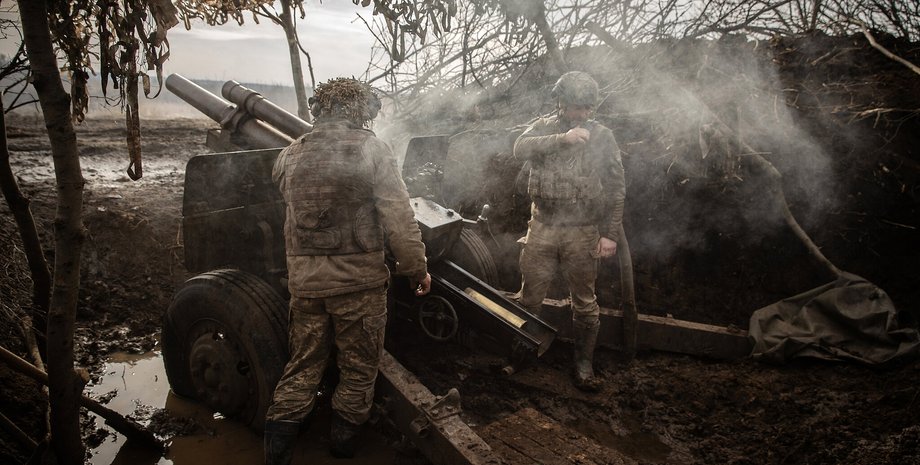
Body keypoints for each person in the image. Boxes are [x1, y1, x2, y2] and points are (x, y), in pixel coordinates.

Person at [264, 77, 431, 464]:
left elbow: (284, 195)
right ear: (360, 110)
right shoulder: (373, 149)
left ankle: (277, 449)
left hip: (306, 286)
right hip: (359, 287)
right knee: (358, 368)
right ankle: (342, 445)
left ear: (319, 109)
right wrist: (416, 268)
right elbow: (399, 217)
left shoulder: (289, 155)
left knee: (303, 365)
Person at [513, 71, 626, 392]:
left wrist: (610, 235)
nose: (580, 113)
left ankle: (583, 363)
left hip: (582, 230)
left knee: (585, 301)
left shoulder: (603, 137)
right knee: (529, 295)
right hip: (542, 227)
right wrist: (562, 139)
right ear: (560, 103)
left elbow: (617, 188)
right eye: (574, 106)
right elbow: (518, 149)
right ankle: (522, 352)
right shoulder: (543, 128)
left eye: (586, 108)